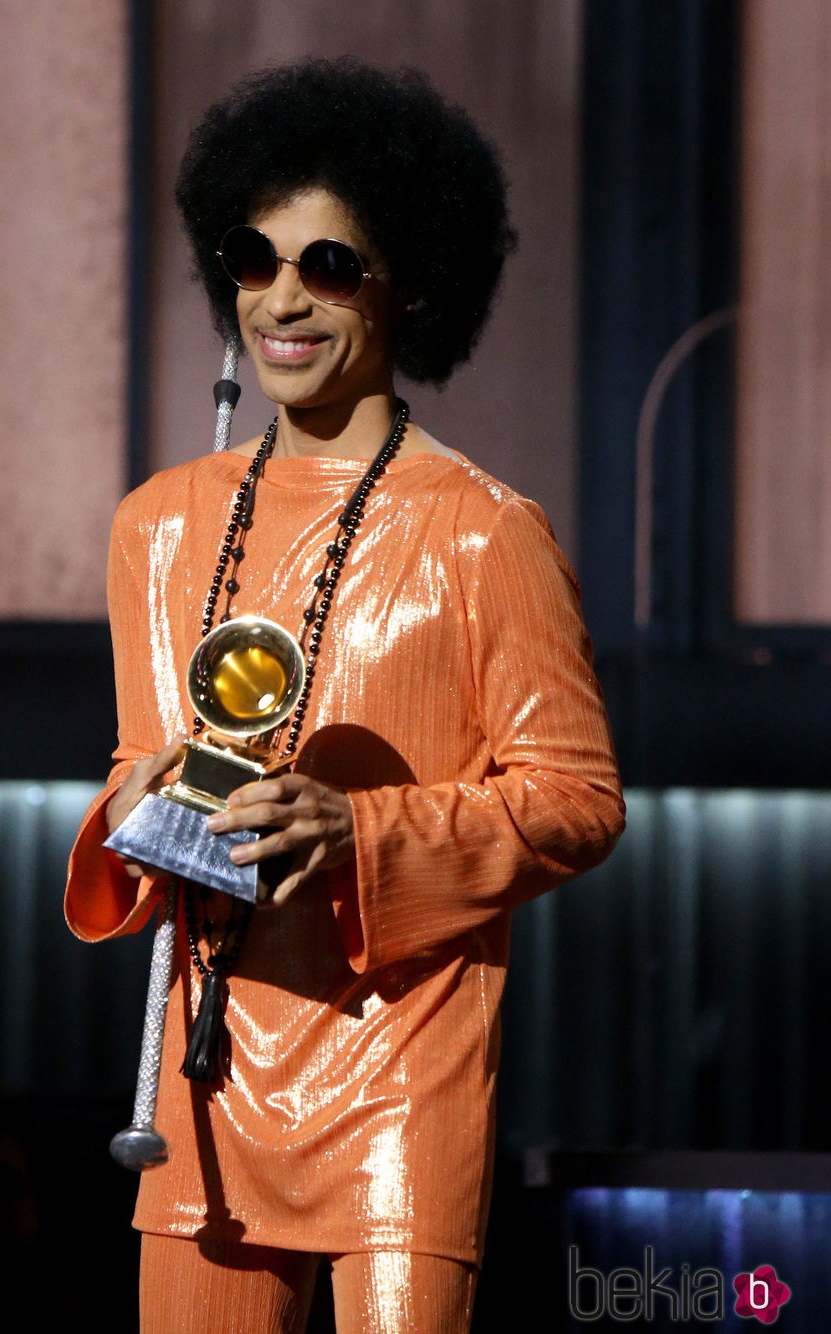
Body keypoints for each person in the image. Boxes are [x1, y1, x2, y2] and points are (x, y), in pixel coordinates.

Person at [65, 56, 625, 1333]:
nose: (280, 298)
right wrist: (136, 800)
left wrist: (355, 830)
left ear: (410, 284)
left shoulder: (488, 534)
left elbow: (578, 801)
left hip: (401, 1073)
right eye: (253, 259)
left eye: (328, 265)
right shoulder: (157, 529)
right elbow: (139, 761)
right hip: (203, 1089)